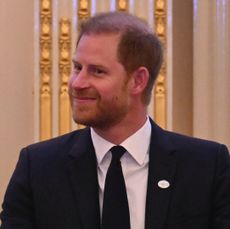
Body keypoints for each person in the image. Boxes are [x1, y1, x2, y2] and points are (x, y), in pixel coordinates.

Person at [1, 11, 230, 229]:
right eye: (77, 68)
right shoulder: (39, 167)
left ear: (138, 80)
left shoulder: (207, 167)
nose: (77, 83)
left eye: (97, 71)